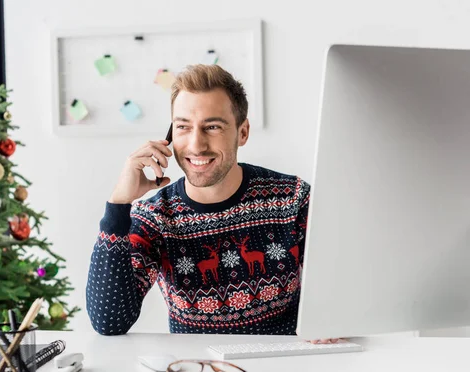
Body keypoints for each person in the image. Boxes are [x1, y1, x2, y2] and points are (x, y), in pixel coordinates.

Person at [86, 64, 335, 343]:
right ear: (169, 136)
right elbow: (108, 321)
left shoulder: (293, 198)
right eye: (183, 127)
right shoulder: (155, 217)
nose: (196, 145)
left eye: (212, 126)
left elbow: (339, 285)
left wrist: (330, 322)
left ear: (243, 132)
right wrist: (119, 204)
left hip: (287, 368)